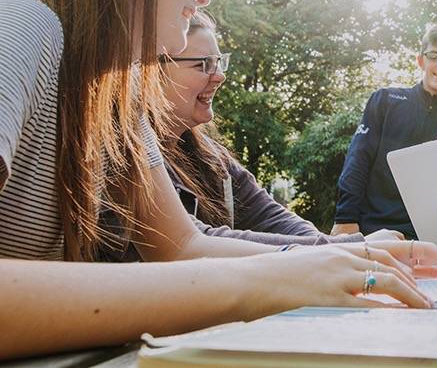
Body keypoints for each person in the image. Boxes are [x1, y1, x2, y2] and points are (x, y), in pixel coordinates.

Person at [0, 0, 437, 360]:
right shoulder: (20, 23)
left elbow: (182, 247)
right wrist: (265, 279)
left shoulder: (116, 98)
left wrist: (352, 255)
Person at [101, 13, 401, 262]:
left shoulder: (214, 159)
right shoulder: (120, 153)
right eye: (203, 64)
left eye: (219, 62)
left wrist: (351, 250)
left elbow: (275, 220)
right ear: (150, 73)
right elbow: (196, 239)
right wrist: (351, 249)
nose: (219, 76)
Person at [331, 23, 437, 239]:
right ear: (421, 60)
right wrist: (345, 219)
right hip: (372, 231)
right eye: (433, 55)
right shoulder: (385, 101)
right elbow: (358, 160)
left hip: (432, 240)